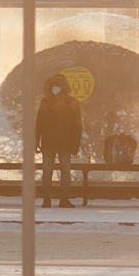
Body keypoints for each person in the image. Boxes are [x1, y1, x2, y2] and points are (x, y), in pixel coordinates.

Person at [35, 73, 84, 208]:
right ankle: (59, 199)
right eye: (53, 85)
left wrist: (36, 141)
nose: (55, 88)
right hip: (61, 142)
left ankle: (51, 200)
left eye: (57, 85)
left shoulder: (48, 102)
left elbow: (77, 125)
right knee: (56, 172)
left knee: (56, 172)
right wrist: (75, 145)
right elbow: (39, 123)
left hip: (55, 142)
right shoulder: (70, 102)